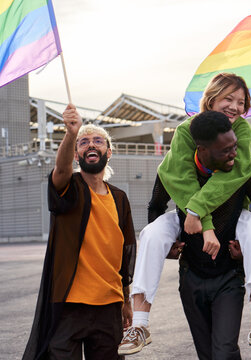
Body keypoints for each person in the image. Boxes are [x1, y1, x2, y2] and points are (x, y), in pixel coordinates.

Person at [119, 73, 251, 355]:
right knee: (152, 234)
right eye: (228, 98)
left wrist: (201, 216)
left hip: (228, 273)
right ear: (211, 98)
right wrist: (183, 236)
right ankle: (140, 324)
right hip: (192, 271)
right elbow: (176, 188)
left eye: (240, 102)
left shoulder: (241, 142)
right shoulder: (184, 136)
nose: (235, 106)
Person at [22, 104, 136, 360]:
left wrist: (125, 300)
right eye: (83, 143)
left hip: (108, 305)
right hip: (69, 305)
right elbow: (60, 171)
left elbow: (125, 253)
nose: (91, 145)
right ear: (76, 155)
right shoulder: (69, 187)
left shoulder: (119, 198)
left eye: (98, 141)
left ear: (109, 151)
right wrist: (71, 133)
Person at [181, 111, 251, 358]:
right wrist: (172, 244)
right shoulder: (183, 174)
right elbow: (156, 206)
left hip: (229, 275)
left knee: (223, 351)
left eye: (234, 145)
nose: (234, 153)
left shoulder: (242, 171)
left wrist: (248, 251)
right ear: (202, 150)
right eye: (225, 150)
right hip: (191, 275)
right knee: (207, 354)